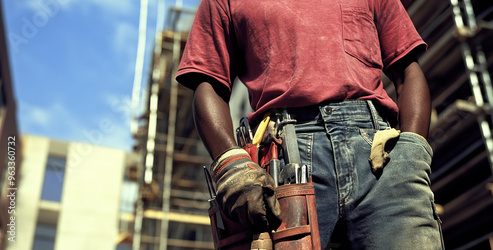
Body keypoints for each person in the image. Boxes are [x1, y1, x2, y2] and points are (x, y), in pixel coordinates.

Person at [176, 0, 444, 248]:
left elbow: (408, 71)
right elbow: (208, 81)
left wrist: (412, 151)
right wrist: (230, 162)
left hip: (379, 157)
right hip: (286, 159)